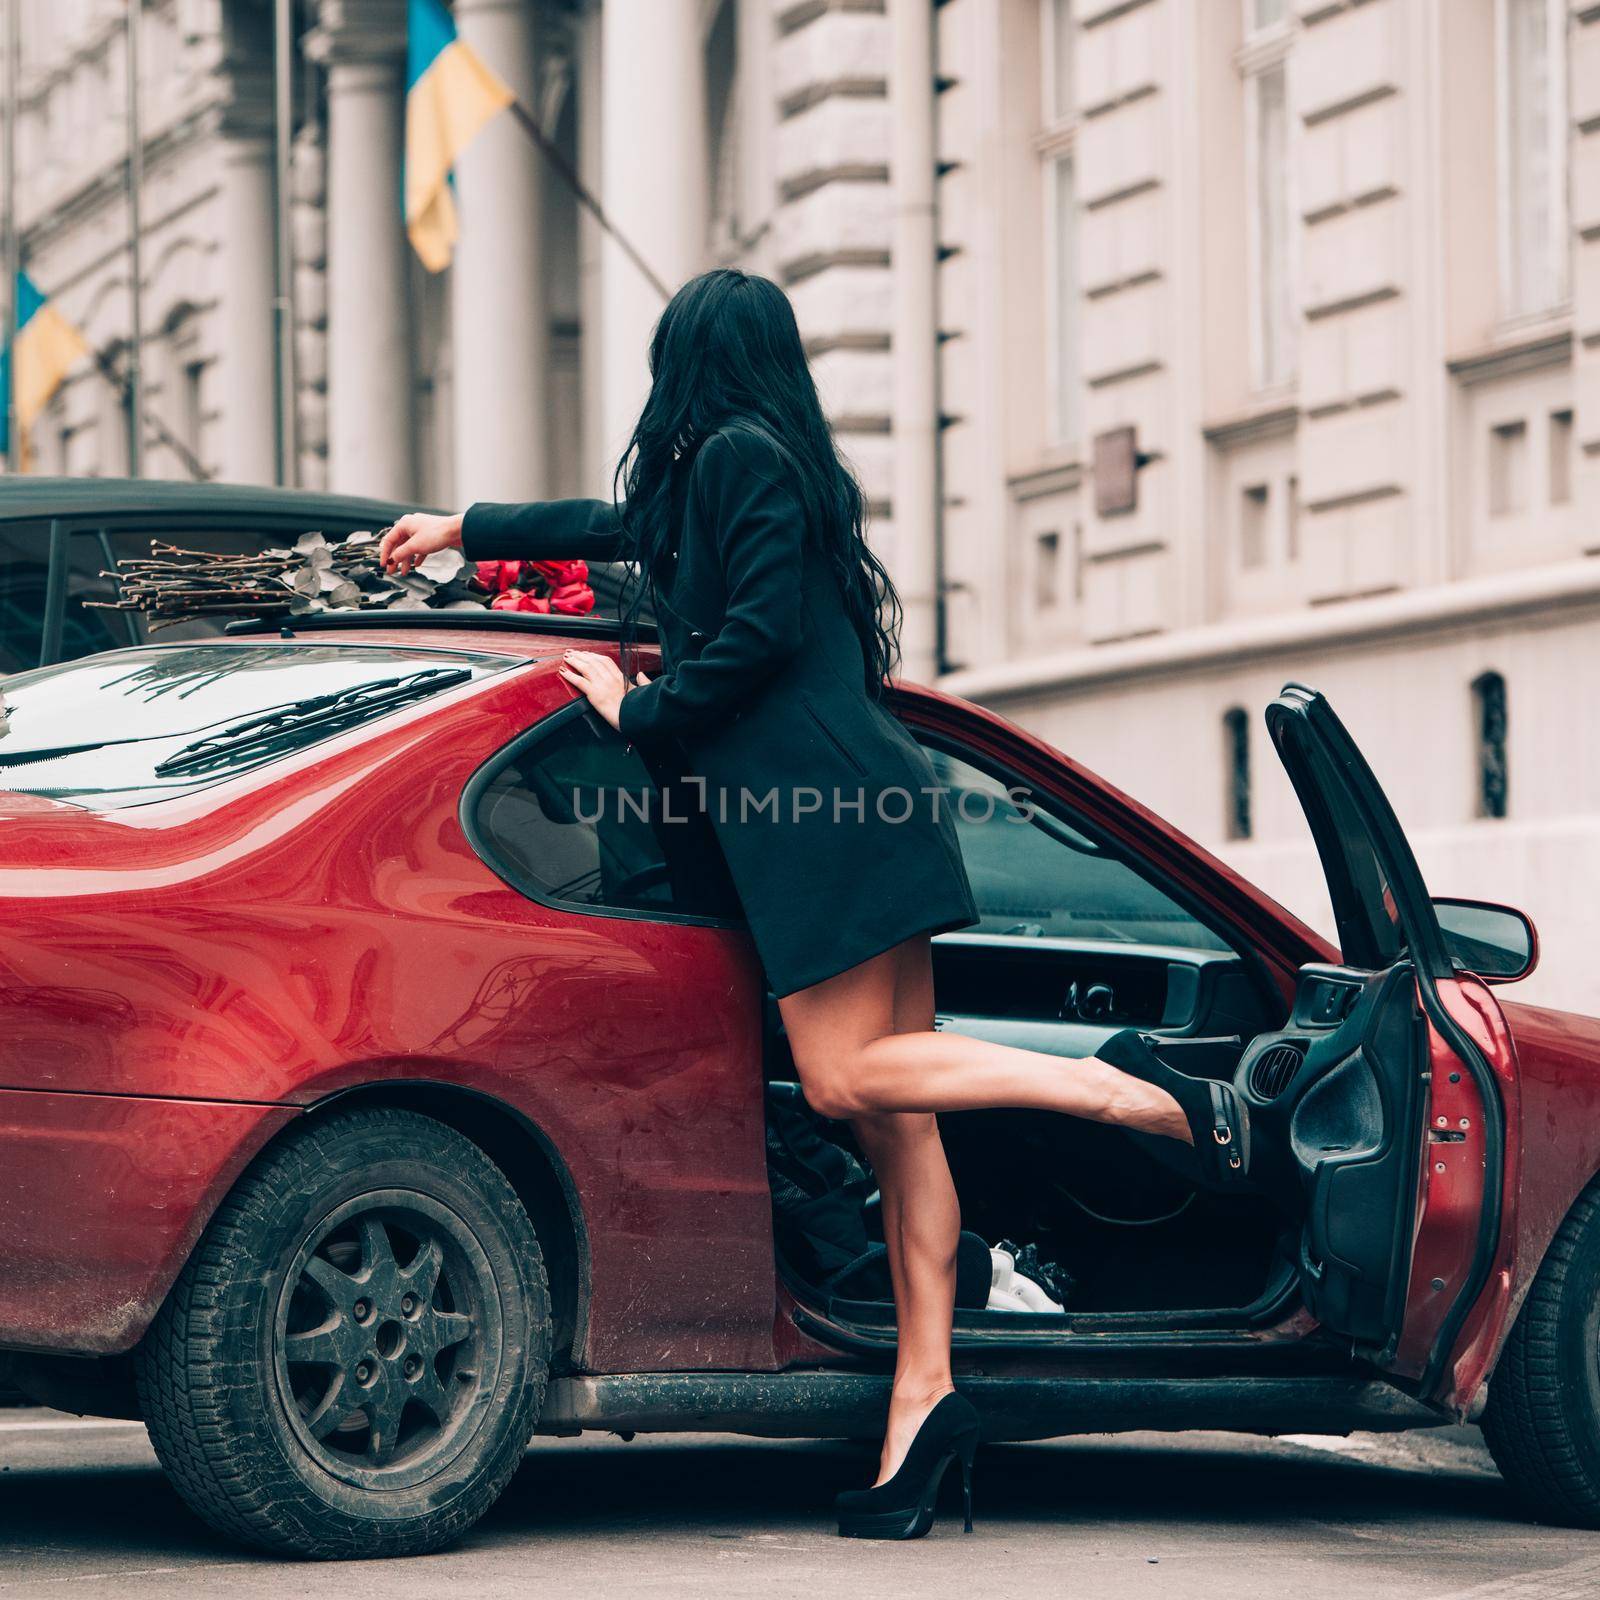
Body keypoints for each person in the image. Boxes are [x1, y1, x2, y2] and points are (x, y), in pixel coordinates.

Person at [379, 266, 1251, 1540]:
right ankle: (923, 1406)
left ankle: (1129, 1093)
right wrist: (468, 523)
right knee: (903, 1132)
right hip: (859, 811)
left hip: (822, 826)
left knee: (848, 1084)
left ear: (690, 359)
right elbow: (616, 523)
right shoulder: (752, 462)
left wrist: (642, 712)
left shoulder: (736, 458)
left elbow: (755, 638)